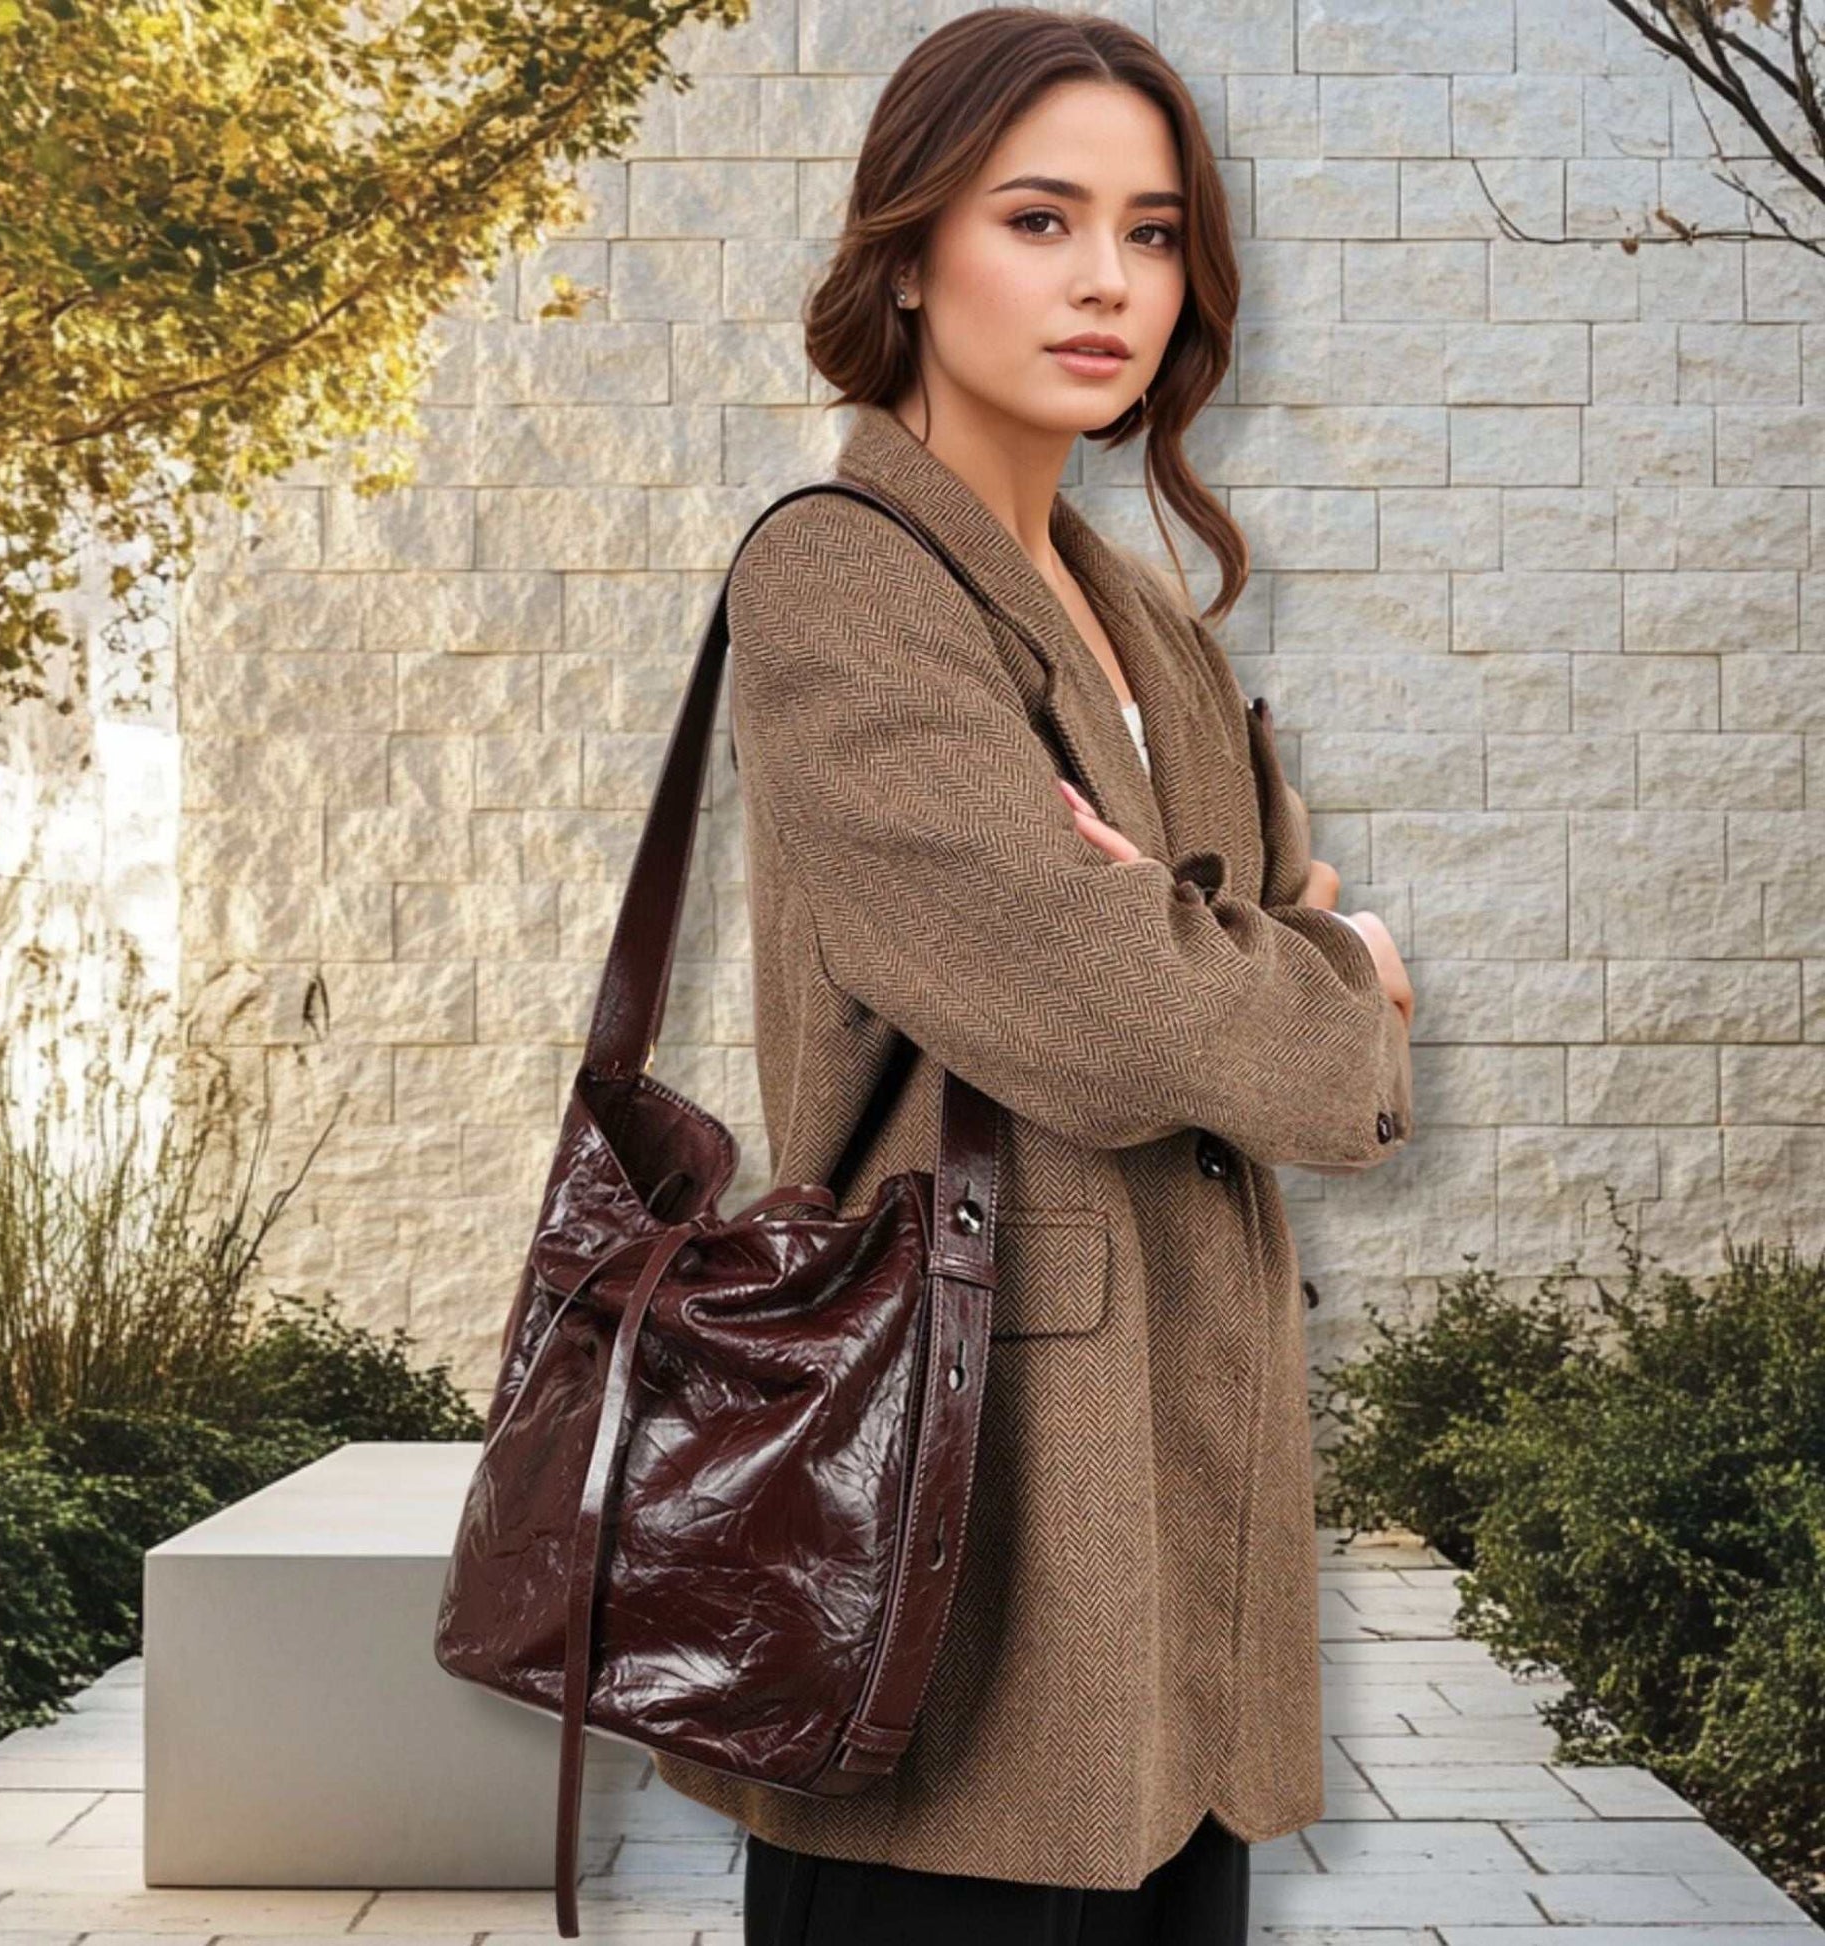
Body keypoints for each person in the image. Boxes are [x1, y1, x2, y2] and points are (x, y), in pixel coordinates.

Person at [648, 9, 1417, 1942]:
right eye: (1040, 217)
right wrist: (1327, 971)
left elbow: (1186, 954)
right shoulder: (840, 574)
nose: (1106, 283)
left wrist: (1218, 948)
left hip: (1178, 1547)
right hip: (956, 1553)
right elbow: (1106, 1002)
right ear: (908, 253)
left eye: (1151, 233)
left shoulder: (1137, 603)